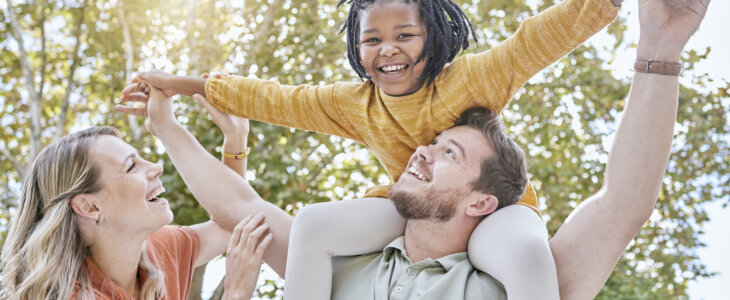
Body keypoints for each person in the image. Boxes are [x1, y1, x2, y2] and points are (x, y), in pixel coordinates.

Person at [122, 0, 623, 298]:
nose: (389, 49)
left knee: (529, 254)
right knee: (314, 224)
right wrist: (181, 84)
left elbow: (537, 40)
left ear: (434, 37)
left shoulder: (474, 78)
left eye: (405, 35)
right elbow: (273, 99)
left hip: (494, 209)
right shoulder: (353, 104)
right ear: (356, 50)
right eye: (373, 39)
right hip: (404, 205)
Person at [290, 0, 711, 299]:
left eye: (451, 153)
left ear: (482, 202)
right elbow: (237, 204)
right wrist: (234, 145)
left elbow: (623, 203)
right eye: (434, 143)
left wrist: (660, 51)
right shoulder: (340, 265)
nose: (421, 151)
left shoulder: (507, 284)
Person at [0, 123, 271, 299]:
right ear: (89, 206)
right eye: (131, 167)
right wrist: (235, 293)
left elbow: (229, 223)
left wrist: (235, 140)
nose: (156, 167)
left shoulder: (158, 251)